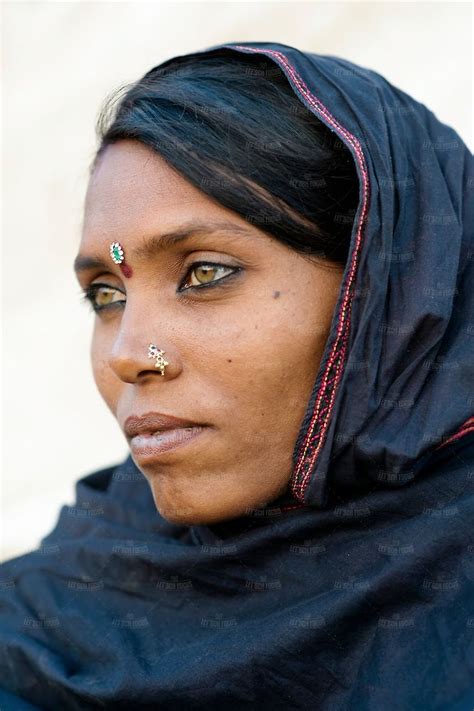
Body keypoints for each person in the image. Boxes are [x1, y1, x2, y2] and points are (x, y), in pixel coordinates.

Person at [0, 40, 473, 710]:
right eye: (107, 294)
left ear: (385, 287)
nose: (129, 354)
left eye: (205, 273)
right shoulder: (60, 614)